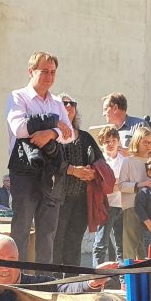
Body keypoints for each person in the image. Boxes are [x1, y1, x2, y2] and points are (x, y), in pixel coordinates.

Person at [5, 51, 74, 263]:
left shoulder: (56, 101)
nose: (49, 77)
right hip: (25, 171)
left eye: (53, 72)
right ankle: (19, 278)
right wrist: (54, 122)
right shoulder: (18, 97)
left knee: (47, 233)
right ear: (31, 71)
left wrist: (51, 133)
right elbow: (20, 128)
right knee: (21, 230)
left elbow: (70, 135)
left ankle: (46, 283)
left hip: (51, 172)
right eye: (44, 71)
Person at [53, 95, 104, 267]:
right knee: (56, 238)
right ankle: (54, 279)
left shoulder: (85, 137)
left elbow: (100, 161)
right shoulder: (52, 135)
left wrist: (93, 173)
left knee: (74, 240)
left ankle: (71, 281)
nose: (68, 106)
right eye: (63, 103)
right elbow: (50, 163)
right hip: (58, 197)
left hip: (81, 198)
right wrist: (73, 170)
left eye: (72, 103)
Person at [0, 234, 115, 293]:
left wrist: (90, 282)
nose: (6, 268)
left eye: (11, 261)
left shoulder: (37, 285)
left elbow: (64, 289)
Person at [93, 127, 135, 263]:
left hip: (123, 206)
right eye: (106, 141)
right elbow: (103, 186)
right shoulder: (100, 162)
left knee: (121, 246)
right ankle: (96, 279)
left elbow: (130, 183)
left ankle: (122, 280)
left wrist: (114, 183)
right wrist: (117, 183)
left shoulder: (125, 160)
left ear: (118, 142)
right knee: (101, 244)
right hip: (106, 207)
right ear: (101, 144)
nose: (110, 144)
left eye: (113, 140)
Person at [119, 125, 151, 260]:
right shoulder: (128, 161)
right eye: (145, 142)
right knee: (131, 243)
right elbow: (122, 185)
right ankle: (128, 276)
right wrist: (141, 185)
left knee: (147, 244)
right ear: (137, 141)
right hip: (132, 205)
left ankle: (146, 274)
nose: (149, 145)